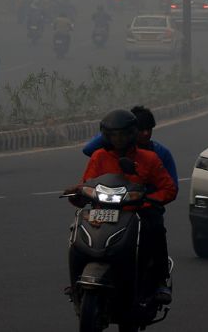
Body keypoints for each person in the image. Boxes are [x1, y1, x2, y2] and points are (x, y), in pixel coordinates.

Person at [66, 109, 178, 304]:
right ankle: (76, 282)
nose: (118, 139)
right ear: (106, 136)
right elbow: (88, 184)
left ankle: (160, 281)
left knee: (156, 229)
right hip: (102, 213)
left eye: (123, 134)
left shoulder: (150, 158)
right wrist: (79, 193)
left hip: (137, 212)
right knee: (76, 234)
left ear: (132, 134)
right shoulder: (99, 157)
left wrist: (148, 199)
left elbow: (169, 189)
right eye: (113, 135)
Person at [81, 105, 178, 181]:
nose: (146, 133)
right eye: (141, 129)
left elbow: (171, 186)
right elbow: (88, 150)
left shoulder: (159, 153)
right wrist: (113, 128)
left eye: (149, 129)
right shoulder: (105, 153)